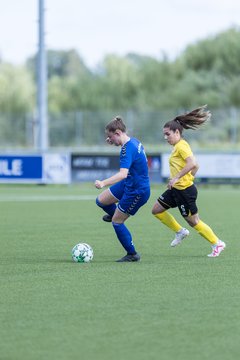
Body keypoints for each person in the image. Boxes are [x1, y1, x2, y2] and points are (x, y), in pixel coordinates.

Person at [152, 105, 226, 257]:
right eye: (164, 135)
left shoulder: (181, 146)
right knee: (156, 210)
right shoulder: (177, 146)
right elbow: (196, 166)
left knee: (194, 222)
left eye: (168, 134)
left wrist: (178, 178)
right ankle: (180, 232)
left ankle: (217, 243)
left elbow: (192, 163)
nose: (165, 137)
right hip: (176, 190)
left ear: (177, 132)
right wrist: (184, 177)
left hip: (185, 191)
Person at [95, 116, 150, 262]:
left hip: (137, 191)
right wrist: (114, 141)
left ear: (118, 132)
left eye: (110, 137)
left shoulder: (127, 149)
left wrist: (103, 183)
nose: (109, 140)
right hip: (129, 183)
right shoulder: (133, 141)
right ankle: (116, 214)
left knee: (117, 222)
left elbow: (122, 174)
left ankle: (132, 254)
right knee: (101, 201)